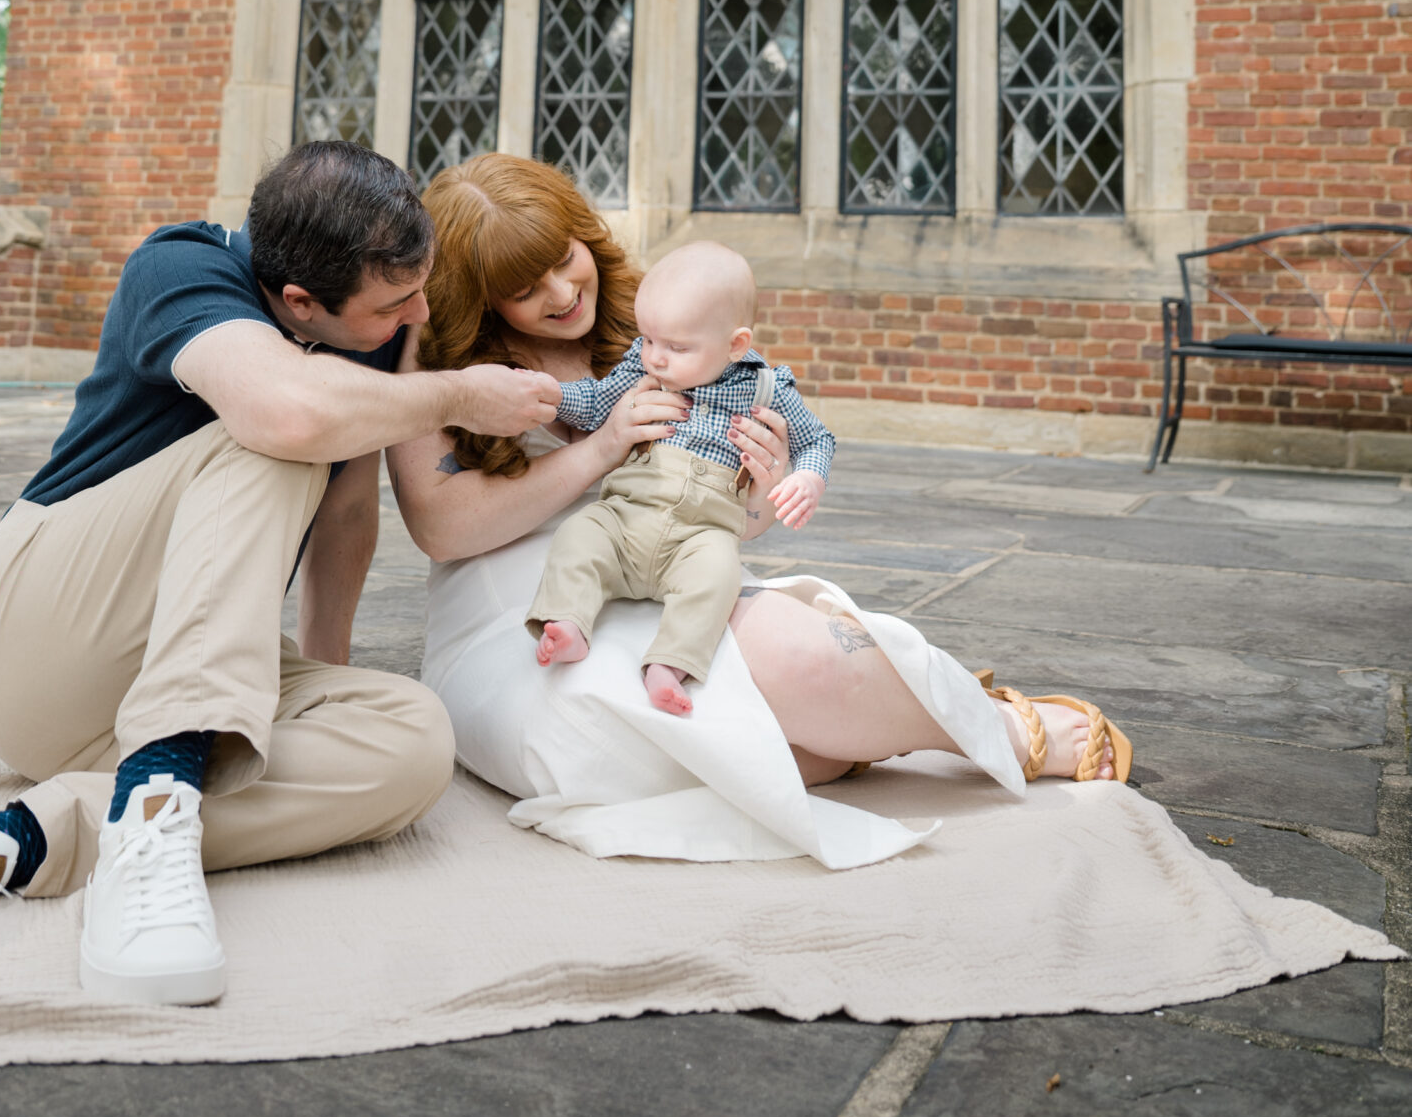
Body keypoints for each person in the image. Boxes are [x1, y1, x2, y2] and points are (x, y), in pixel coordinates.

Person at [0, 142, 558, 1002]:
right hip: (30, 630)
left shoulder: (365, 339)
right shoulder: (181, 267)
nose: (419, 315)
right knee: (281, 430)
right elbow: (286, 415)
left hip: (156, 682)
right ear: (298, 300)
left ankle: (10, 841)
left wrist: (327, 673)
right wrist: (456, 396)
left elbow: (350, 513)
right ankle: (152, 820)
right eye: (396, 302)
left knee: (411, 741)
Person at [390, 156, 1128, 868]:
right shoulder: (442, 359)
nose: (559, 291)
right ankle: (922, 706)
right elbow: (441, 526)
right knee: (633, 753)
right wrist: (599, 447)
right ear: (481, 295)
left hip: (673, 570)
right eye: (524, 285)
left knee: (796, 675)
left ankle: (991, 725)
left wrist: (761, 494)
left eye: (564, 256)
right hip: (527, 610)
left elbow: (728, 513)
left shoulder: (660, 322)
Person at [528, 241, 834, 715]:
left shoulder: (767, 389)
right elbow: (592, 406)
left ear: (736, 344)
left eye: (676, 347)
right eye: (649, 339)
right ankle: (568, 623)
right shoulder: (639, 368)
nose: (656, 358)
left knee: (718, 577)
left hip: (701, 534)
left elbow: (816, 439)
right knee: (579, 535)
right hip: (626, 517)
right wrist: (548, 394)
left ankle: (670, 665)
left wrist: (808, 479)